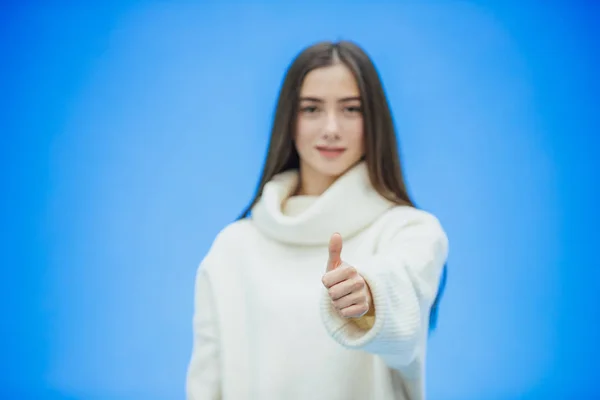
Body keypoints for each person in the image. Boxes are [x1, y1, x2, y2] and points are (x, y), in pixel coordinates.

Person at [186, 40, 449, 400]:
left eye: (351, 109)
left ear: (374, 121)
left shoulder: (409, 231)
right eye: (311, 109)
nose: (331, 128)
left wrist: (370, 296)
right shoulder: (235, 246)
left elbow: (404, 303)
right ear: (288, 121)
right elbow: (206, 382)